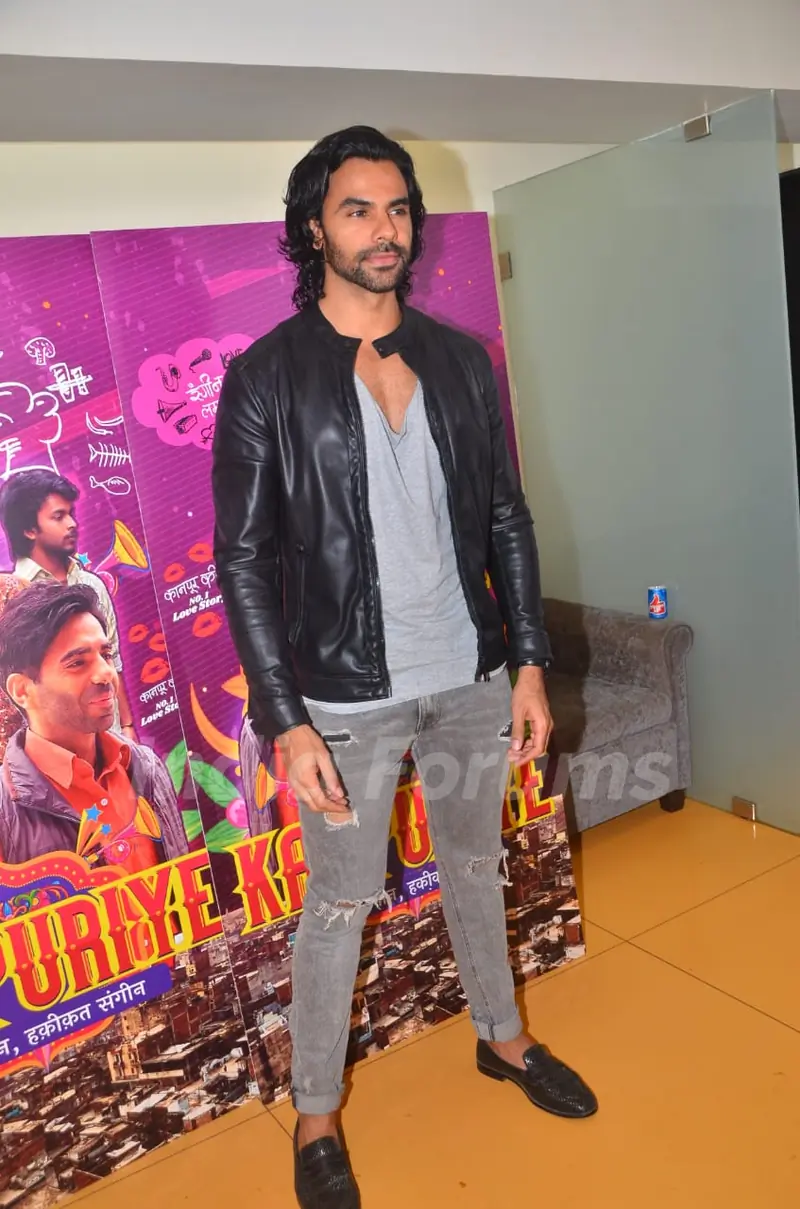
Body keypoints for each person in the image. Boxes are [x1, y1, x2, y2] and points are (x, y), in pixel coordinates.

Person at [213, 127, 597, 1209]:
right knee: (339, 903)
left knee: (475, 864)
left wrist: (527, 661)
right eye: (357, 209)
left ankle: (503, 1037)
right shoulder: (265, 378)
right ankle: (316, 1113)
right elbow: (242, 560)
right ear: (313, 228)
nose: (384, 229)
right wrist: (286, 718)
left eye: (397, 208)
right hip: (341, 697)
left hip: (470, 676)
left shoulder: (459, 359)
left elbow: (507, 517)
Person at [0, 582, 187, 870]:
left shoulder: (143, 765)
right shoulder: (6, 812)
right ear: (22, 690)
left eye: (106, 655)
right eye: (77, 663)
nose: (105, 674)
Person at [0, 469, 137, 741]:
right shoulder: (10, 598)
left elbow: (113, 661)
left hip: (111, 738)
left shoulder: (92, 584)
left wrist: (127, 726)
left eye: (71, 514)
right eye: (58, 516)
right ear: (29, 530)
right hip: (58, 747)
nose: (72, 523)